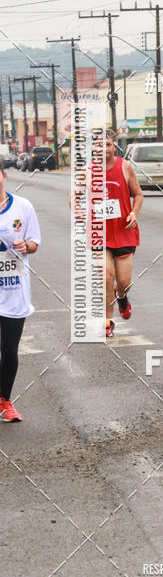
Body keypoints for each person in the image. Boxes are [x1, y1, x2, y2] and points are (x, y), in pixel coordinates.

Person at [0, 162, 41, 422]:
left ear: (3, 175)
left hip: (14, 292)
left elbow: (35, 242)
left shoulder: (23, 207)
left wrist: (26, 245)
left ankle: (5, 401)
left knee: (9, 350)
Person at [93, 131, 143, 337]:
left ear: (114, 147)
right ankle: (108, 321)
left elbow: (138, 194)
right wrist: (76, 209)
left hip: (124, 233)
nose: (104, 149)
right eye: (99, 145)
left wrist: (133, 213)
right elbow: (74, 196)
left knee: (123, 282)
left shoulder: (125, 167)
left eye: (108, 144)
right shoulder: (87, 171)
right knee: (106, 276)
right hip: (100, 234)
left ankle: (121, 297)